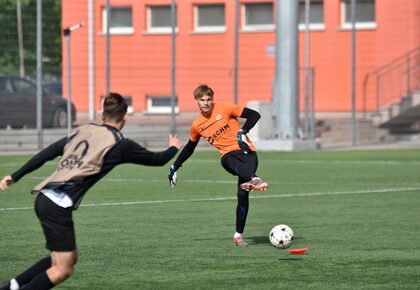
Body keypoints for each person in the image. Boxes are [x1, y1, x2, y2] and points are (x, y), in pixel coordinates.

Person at [0, 92, 182, 290]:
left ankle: (11, 286)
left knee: (63, 259)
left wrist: (15, 175)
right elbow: (158, 159)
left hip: (45, 197)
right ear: (125, 117)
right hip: (58, 204)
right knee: (63, 269)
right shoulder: (120, 145)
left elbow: (48, 152)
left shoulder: (82, 131)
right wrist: (173, 148)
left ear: (102, 115)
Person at [167, 84, 268, 247]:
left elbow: (255, 115)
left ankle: (238, 236)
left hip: (248, 153)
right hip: (229, 157)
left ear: (212, 99)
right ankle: (253, 179)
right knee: (226, 160)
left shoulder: (226, 108)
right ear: (197, 101)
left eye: (209, 99)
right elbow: (189, 148)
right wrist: (175, 166)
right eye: (202, 100)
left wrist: (243, 131)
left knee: (242, 196)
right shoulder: (197, 125)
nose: (206, 103)